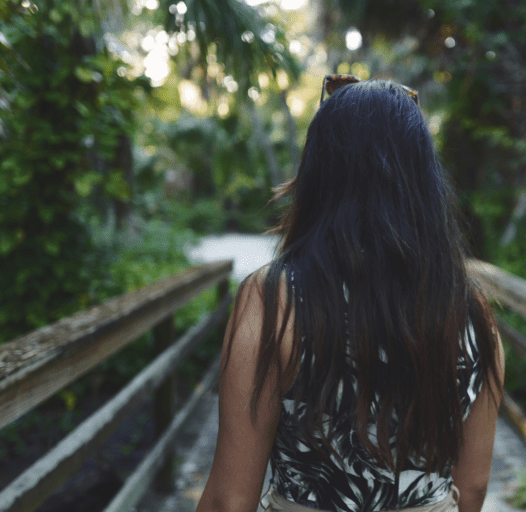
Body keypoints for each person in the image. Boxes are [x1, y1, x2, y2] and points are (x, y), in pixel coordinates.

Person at [195, 76, 505, 512]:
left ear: (319, 174)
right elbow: (472, 486)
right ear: (423, 181)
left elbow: (231, 499)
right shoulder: (473, 311)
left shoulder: (272, 300)